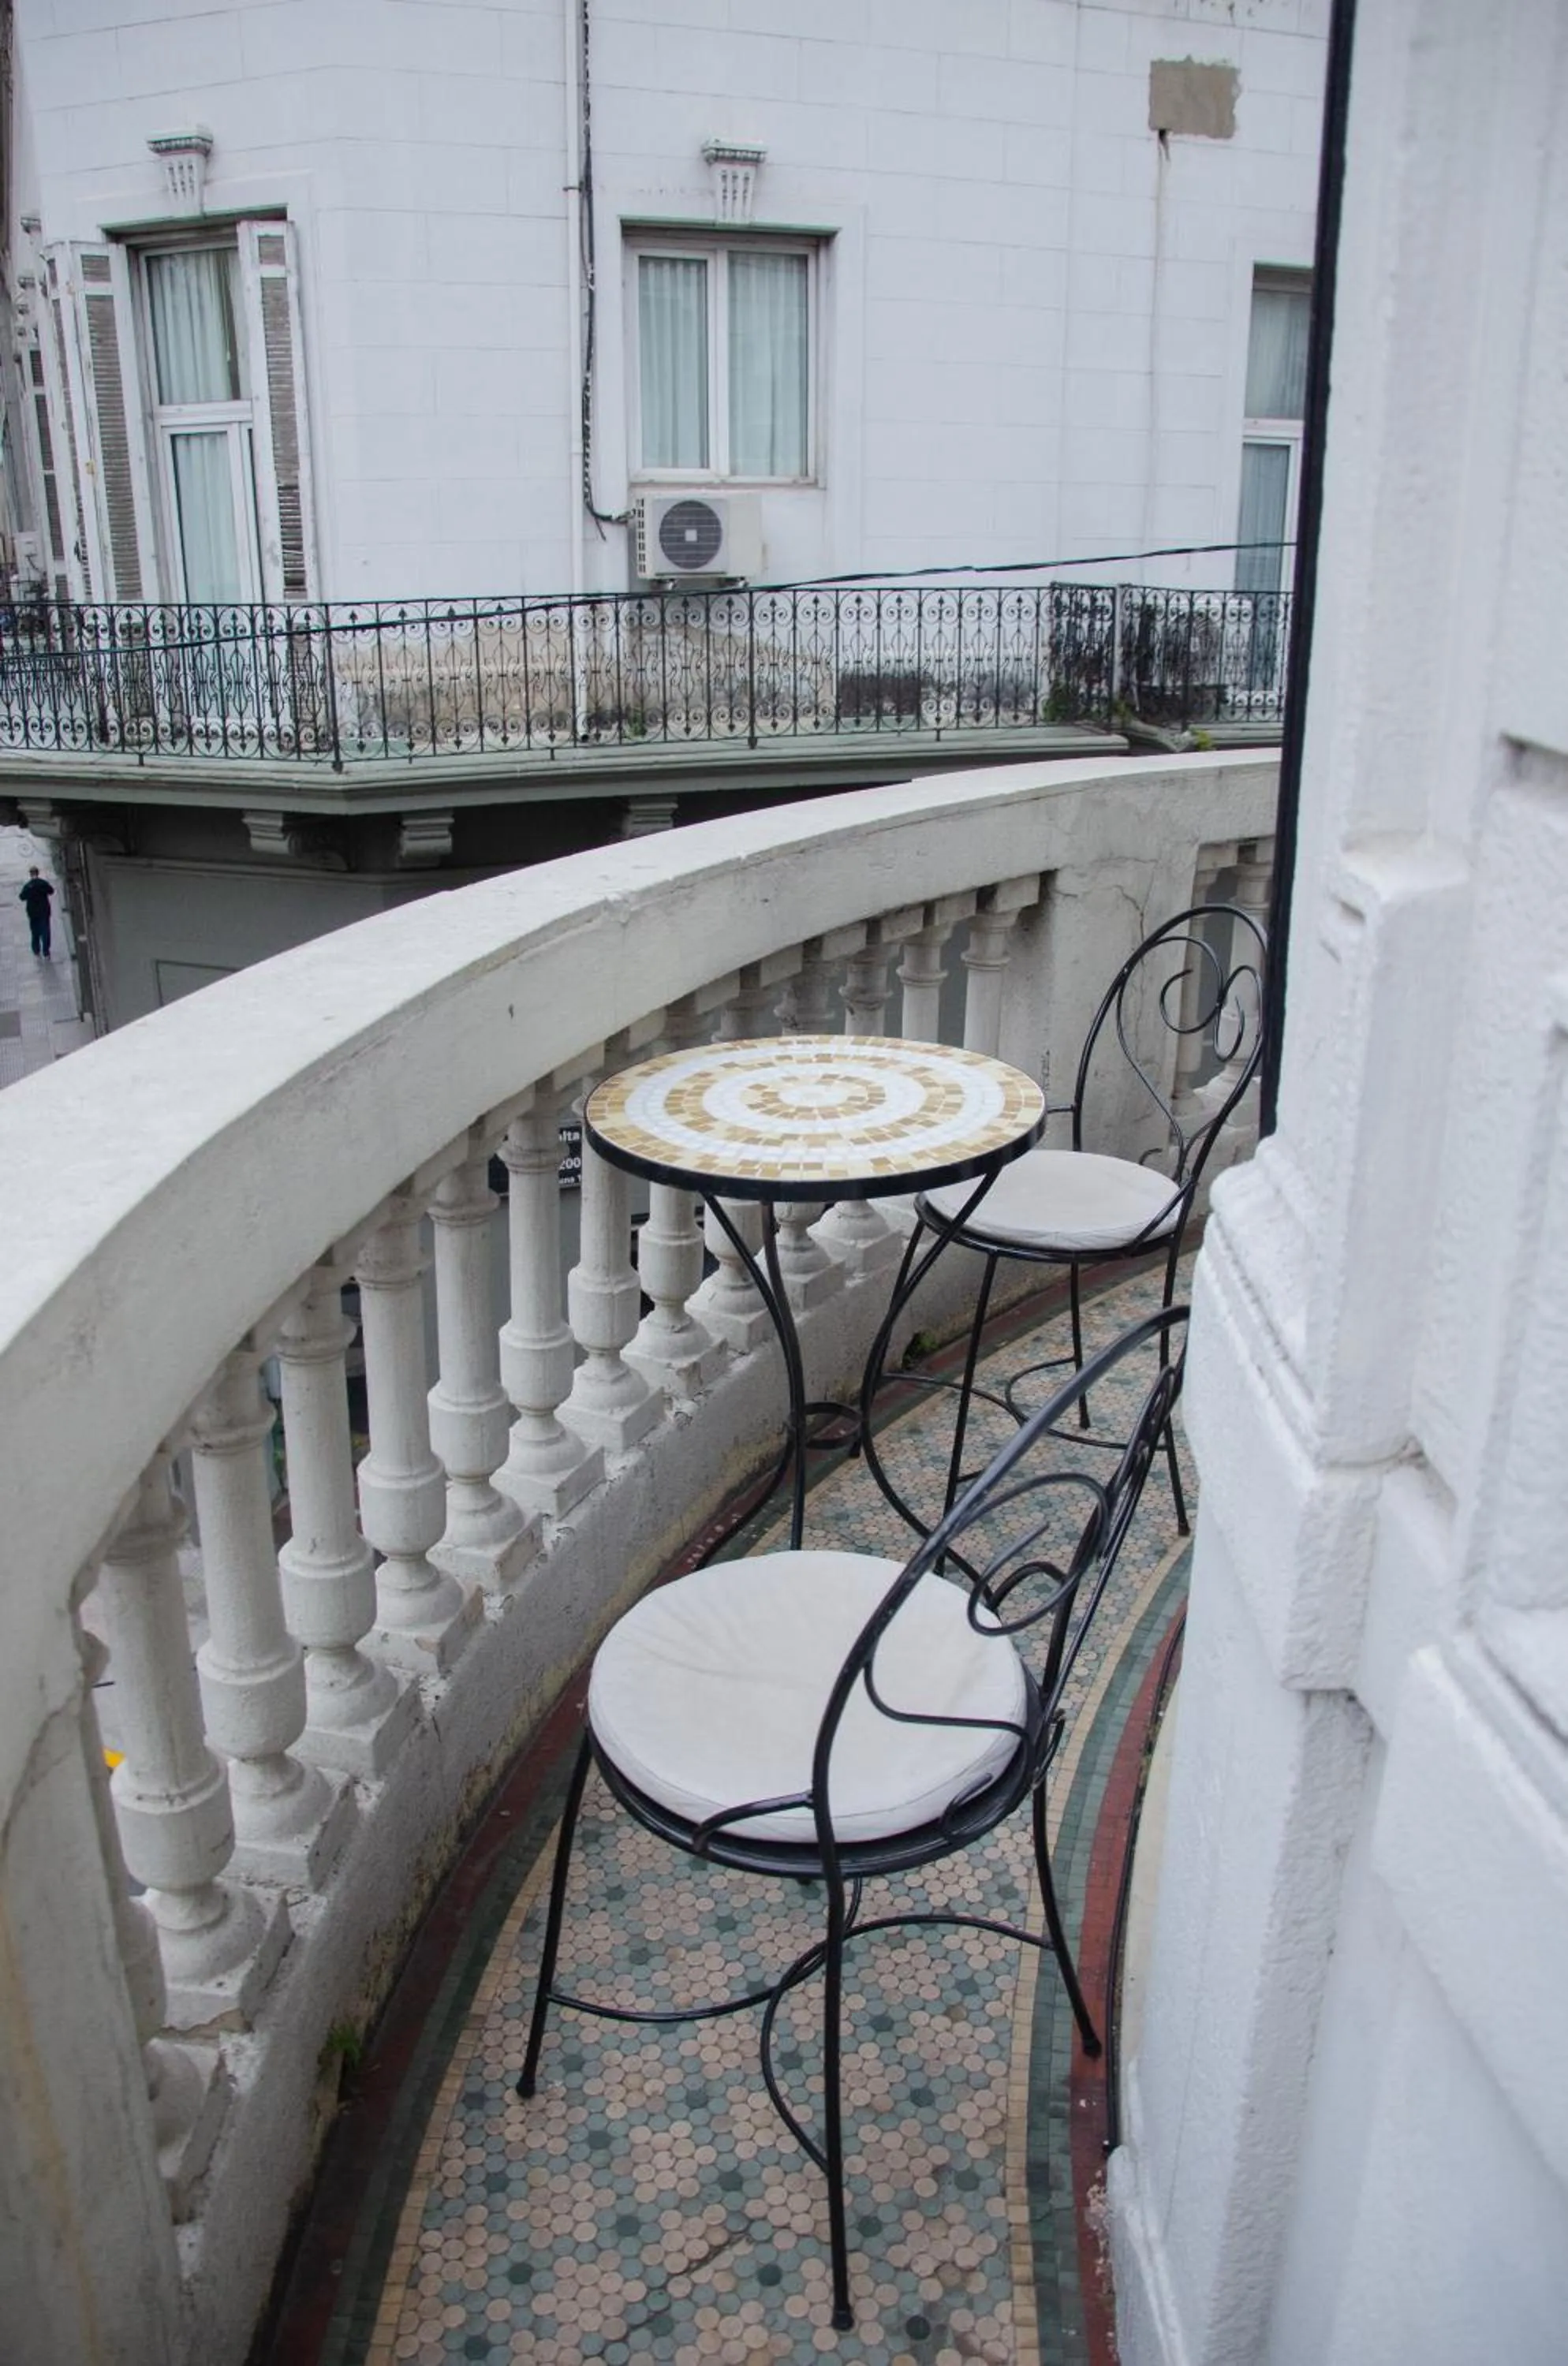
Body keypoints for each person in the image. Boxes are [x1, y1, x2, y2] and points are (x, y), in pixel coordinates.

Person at [19, 865, 54, 957]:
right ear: (38, 873)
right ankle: (46, 951)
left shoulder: (28, 886)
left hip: (33, 913)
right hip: (44, 911)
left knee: (35, 932)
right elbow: (51, 891)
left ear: (30, 874)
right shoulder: (43, 883)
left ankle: (36, 950)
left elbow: (22, 897)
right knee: (45, 931)